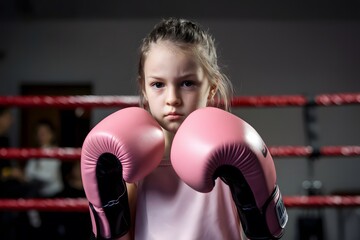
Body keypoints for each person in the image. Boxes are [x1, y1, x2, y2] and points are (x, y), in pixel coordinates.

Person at [81, 17, 287, 240]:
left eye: (187, 83)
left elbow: (266, 235)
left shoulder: (231, 155)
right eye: (158, 84)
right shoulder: (133, 165)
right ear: (144, 88)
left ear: (212, 87)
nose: (173, 99)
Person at [24, 119, 64, 238]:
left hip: (54, 196)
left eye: (45, 132)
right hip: (39, 196)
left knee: (51, 231)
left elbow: (48, 177)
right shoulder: (35, 152)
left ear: (52, 134)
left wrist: (31, 174)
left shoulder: (56, 151)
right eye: (39, 133)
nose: (41, 136)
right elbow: (27, 172)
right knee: (38, 232)